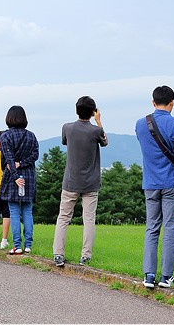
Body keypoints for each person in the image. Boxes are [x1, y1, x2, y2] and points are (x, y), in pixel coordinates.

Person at [135, 86, 174, 288]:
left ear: (153, 102)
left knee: (151, 228)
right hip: (171, 184)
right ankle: (166, 277)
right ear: (172, 103)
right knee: (169, 229)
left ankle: (149, 276)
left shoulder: (141, 124)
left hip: (150, 183)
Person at [53, 96, 108, 267]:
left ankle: (58, 254)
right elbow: (105, 142)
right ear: (93, 112)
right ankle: (85, 256)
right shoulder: (95, 131)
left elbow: (64, 142)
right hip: (91, 183)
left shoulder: (67, 128)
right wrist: (99, 121)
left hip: (70, 181)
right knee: (89, 219)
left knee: (63, 218)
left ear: (76, 110)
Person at [0, 105, 39, 255]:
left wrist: (15, 175)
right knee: (27, 212)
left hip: (12, 178)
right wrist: (22, 164)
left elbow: (8, 158)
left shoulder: (5, 136)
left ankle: (17, 246)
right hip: (29, 176)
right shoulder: (31, 136)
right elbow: (35, 155)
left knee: (14, 212)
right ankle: (28, 245)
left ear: (9, 118)